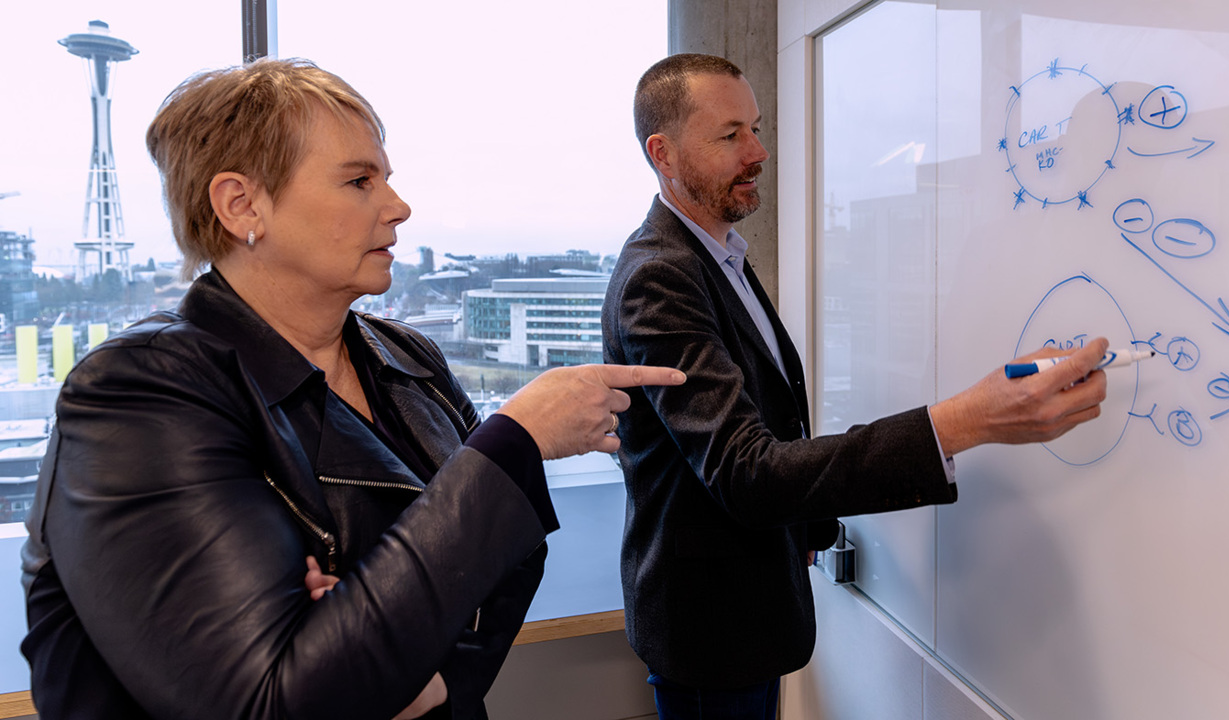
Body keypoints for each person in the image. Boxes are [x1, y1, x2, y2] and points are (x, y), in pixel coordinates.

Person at [20, 58, 684, 720]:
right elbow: (271, 699)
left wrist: (434, 676)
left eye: (386, 179)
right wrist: (512, 441)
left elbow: (504, 568)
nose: (398, 207)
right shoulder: (141, 392)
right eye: (359, 181)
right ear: (241, 205)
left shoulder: (407, 359)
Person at [601, 53, 1109, 719]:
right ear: (662, 153)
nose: (758, 151)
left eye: (756, 128)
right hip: (711, 630)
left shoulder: (718, 255)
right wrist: (966, 420)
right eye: (730, 136)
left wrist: (811, 525)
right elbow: (744, 471)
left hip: (752, 609)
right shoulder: (660, 276)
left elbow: (768, 418)